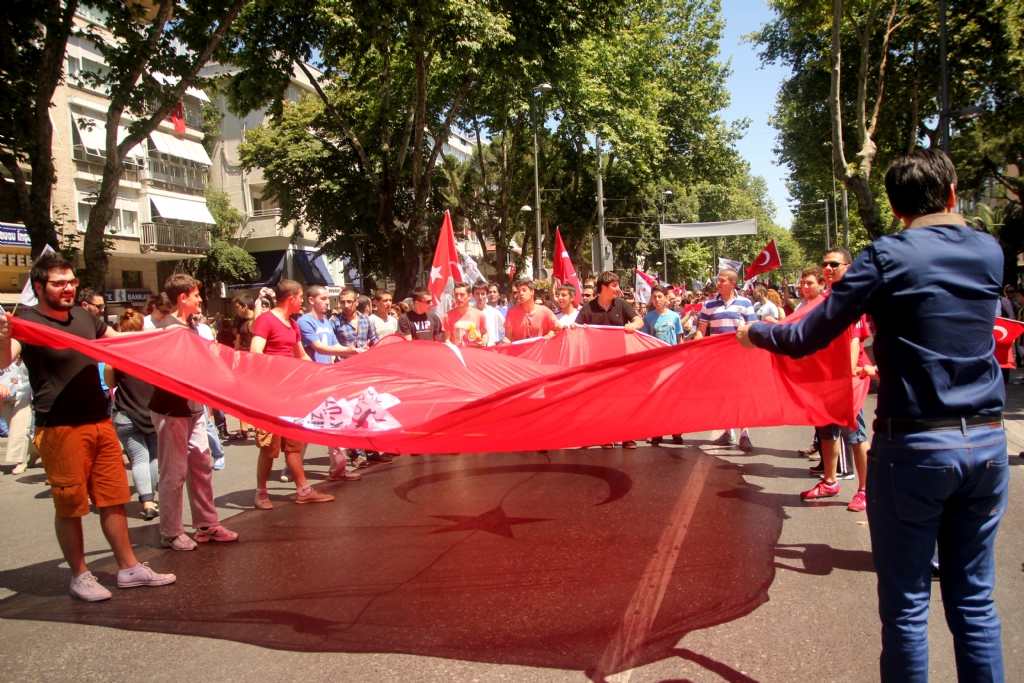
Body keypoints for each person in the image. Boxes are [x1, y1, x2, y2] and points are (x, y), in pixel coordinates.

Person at [737, 149, 1009, 683]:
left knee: (907, 605)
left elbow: (807, 335)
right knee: (974, 603)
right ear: (953, 194)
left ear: (891, 205)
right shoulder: (990, 250)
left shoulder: (887, 256)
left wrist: (754, 333)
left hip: (916, 448)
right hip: (987, 442)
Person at [1, 251, 175, 600]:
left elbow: (116, 341)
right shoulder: (29, 322)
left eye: (71, 281)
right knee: (71, 505)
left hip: (100, 420)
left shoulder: (83, 315)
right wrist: (4, 335)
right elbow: (4, 358)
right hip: (60, 426)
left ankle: (128, 568)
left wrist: (166, 339)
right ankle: (79, 575)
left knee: (113, 499)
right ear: (39, 286)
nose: (67, 288)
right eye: (59, 283)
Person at [149, 274, 238, 550]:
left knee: (201, 464)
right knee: (174, 472)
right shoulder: (168, 329)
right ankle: (171, 531)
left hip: (194, 407)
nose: (200, 299)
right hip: (172, 408)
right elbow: (170, 370)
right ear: (182, 297)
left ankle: (206, 524)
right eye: (196, 295)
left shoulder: (187, 325)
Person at [251, 280, 336, 508]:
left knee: (293, 444)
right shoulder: (265, 320)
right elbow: (256, 353)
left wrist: (319, 375)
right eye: (300, 297)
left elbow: (302, 356)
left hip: (291, 394)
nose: (301, 302)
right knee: (269, 447)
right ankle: (261, 492)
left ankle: (303, 490)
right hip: (270, 394)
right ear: (291, 298)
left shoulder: (292, 324)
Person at [800, 251, 871, 508]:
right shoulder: (822, 300)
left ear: (847, 267)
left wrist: (847, 372)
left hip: (848, 379)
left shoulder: (852, 299)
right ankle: (830, 482)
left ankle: (865, 490)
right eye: (825, 264)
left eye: (834, 264)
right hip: (824, 379)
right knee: (826, 431)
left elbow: (855, 339)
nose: (828, 268)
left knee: (854, 433)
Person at [297, 284, 361, 483]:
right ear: (311, 300)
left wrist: (353, 351)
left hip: (327, 382)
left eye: (327, 299)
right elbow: (319, 348)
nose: (327, 302)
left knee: (336, 423)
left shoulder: (326, 322)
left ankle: (338, 470)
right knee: (304, 429)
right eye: (323, 298)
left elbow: (334, 346)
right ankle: (294, 467)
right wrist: (348, 352)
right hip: (309, 383)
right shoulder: (304, 322)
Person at [575, 271, 643, 449]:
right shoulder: (588, 308)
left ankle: (627, 436)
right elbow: (576, 328)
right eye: (614, 286)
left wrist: (632, 326)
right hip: (597, 363)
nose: (618, 289)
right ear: (603, 288)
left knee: (624, 399)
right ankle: (607, 435)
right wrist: (576, 327)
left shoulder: (621, 305)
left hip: (621, 361)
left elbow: (638, 321)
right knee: (602, 400)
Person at [104, 309, 160, 521]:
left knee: (139, 459)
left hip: (126, 413)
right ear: (142, 326)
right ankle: (152, 498)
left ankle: (146, 501)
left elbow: (110, 382)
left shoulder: (116, 350)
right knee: (154, 457)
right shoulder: (152, 347)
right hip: (153, 412)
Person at [694, 269, 755, 452]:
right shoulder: (709, 305)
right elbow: (701, 330)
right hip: (718, 359)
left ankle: (745, 433)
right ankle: (728, 431)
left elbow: (751, 327)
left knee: (741, 394)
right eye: (718, 280)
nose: (718, 283)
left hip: (740, 356)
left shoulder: (746, 303)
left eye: (722, 280)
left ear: (733, 283)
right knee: (723, 395)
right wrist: (695, 348)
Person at [642, 285, 684, 446]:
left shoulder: (674, 317)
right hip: (656, 364)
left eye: (660, 296)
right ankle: (657, 431)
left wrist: (682, 358)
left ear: (666, 297)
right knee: (658, 398)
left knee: (674, 398)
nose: (657, 300)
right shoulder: (648, 318)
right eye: (654, 297)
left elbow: (679, 339)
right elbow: (645, 340)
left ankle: (676, 431)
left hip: (673, 363)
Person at [0, 355, 37, 475]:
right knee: (13, 429)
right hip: (6, 397)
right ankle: (35, 450)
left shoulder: (29, 357)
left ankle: (19, 461)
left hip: (23, 396)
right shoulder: (7, 355)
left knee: (18, 427)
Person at [502, 279, 558, 343]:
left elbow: (558, 329)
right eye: (518, 291)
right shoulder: (511, 312)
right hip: (520, 352)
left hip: (539, 351)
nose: (521, 293)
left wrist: (549, 335)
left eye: (524, 290)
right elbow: (507, 337)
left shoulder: (545, 311)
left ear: (532, 292)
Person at [443, 282, 488, 347]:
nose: (458, 298)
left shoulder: (479, 314)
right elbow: (447, 340)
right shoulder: (447, 316)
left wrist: (484, 342)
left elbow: (485, 333)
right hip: (459, 355)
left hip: (475, 353)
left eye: (462, 294)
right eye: (456, 294)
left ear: (469, 296)